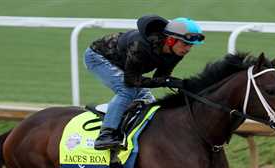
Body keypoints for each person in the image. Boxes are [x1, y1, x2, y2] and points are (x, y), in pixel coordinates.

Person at [84, 15, 205, 150]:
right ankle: (106, 135)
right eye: (185, 43)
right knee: (126, 91)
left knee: (147, 99)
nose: (188, 49)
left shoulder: (176, 53)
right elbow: (131, 81)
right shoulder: (140, 46)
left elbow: (160, 78)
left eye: (191, 45)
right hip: (97, 57)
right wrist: (167, 81)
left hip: (123, 63)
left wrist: (179, 85)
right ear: (171, 40)